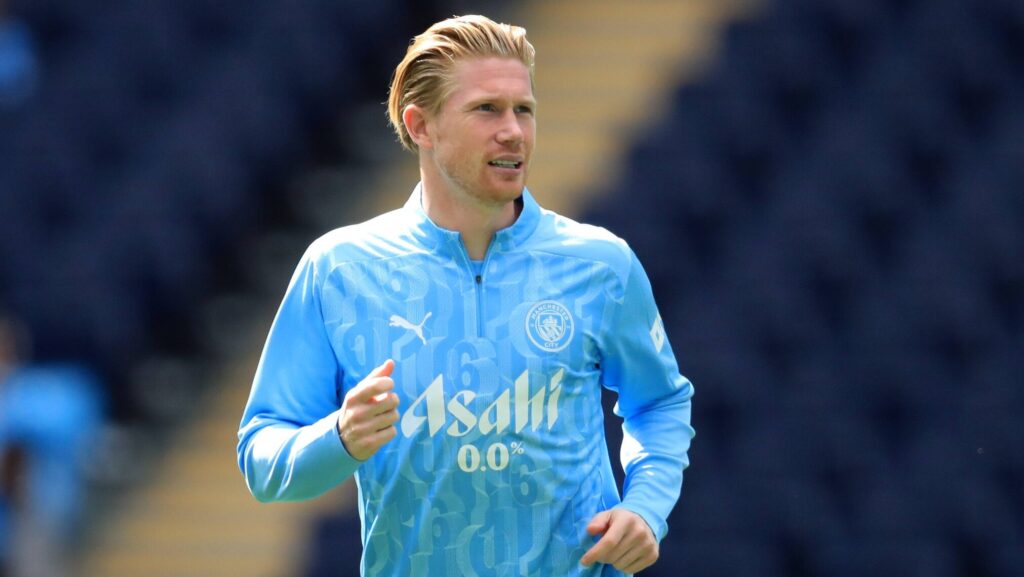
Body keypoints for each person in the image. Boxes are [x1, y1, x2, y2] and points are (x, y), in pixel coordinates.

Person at [237, 14, 694, 576]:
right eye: (487, 110)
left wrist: (646, 507)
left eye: (524, 110)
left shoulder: (600, 265)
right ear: (420, 125)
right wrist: (338, 438)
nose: (514, 131)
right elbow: (262, 457)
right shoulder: (339, 270)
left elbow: (660, 402)